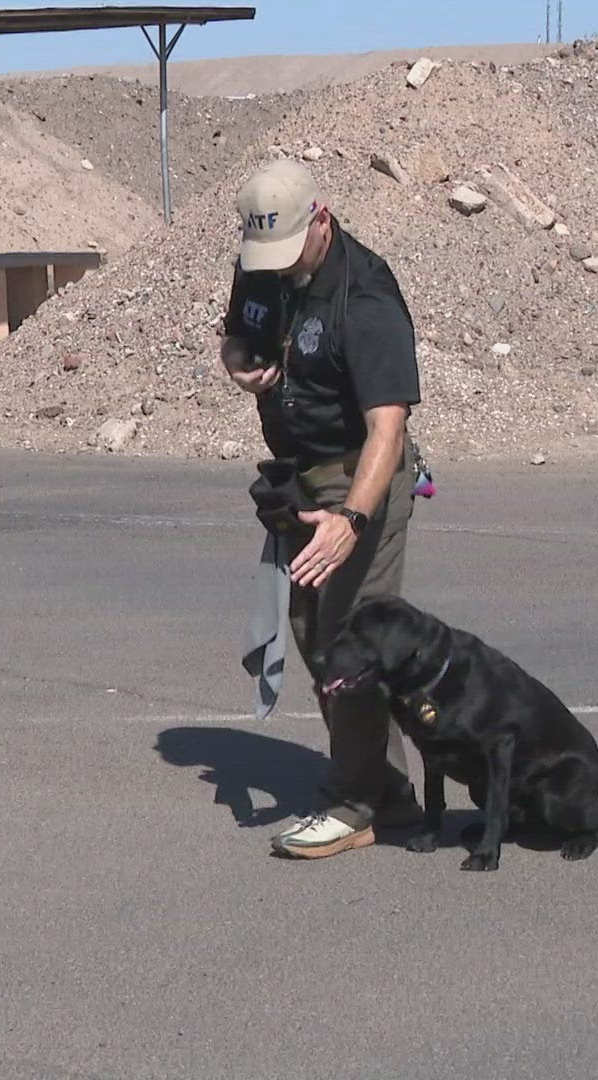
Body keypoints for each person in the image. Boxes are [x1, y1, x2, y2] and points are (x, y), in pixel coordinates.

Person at [220, 158, 425, 860]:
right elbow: (237, 339)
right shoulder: (263, 266)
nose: (273, 269)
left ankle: (356, 802)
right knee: (314, 633)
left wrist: (353, 520)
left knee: (350, 641)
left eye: (287, 252)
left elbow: (387, 427)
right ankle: (388, 789)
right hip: (299, 479)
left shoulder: (366, 299)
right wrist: (240, 367)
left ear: (322, 218)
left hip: (360, 483)